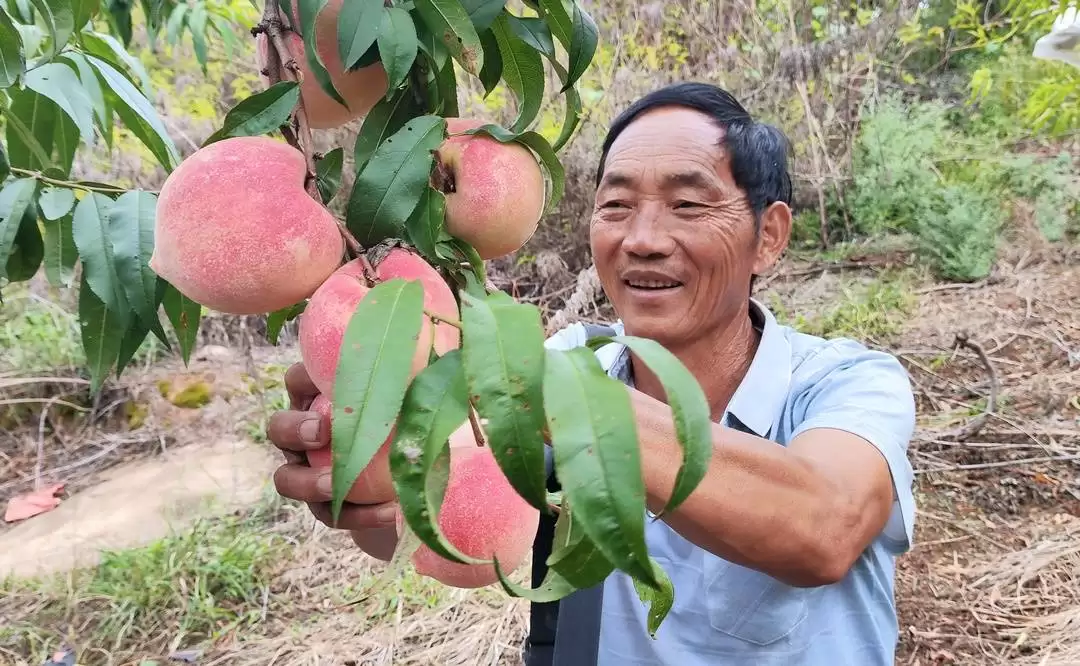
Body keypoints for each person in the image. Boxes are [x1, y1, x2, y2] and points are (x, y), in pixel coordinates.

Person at [266, 82, 918, 666]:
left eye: (689, 205)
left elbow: (824, 528)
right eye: (616, 206)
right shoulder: (575, 358)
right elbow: (433, 524)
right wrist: (363, 471)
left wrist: (532, 385)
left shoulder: (846, 382)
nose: (642, 239)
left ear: (769, 236)